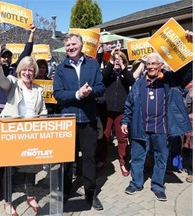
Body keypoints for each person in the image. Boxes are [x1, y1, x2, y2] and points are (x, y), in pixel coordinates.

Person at [121, 36, 192, 201]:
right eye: (148, 64)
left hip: (161, 128)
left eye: (154, 64)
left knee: (161, 157)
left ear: (161, 66)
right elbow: (129, 103)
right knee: (138, 157)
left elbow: (186, 71)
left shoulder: (170, 81)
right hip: (140, 127)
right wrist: (125, 120)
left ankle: (158, 186)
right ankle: (136, 183)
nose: (151, 66)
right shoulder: (139, 83)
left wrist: (189, 45)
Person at [0, 34, 47, 216]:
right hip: (13, 133)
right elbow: (0, 78)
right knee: (10, 170)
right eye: (25, 69)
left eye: (31, 70)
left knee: (30, 168)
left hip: (31, 134)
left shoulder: (38, 90)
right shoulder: (13, 83)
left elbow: (42, 111)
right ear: (20, 70)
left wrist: (42, 122)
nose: (28, 72)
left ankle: (30, 195)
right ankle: (8, 201)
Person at [53, 33, 105, 211]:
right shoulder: (61, 68)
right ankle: (66, 191)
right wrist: (77, 94)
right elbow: (58, 94)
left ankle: (90, 192)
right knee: (67, 160)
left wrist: (90, 91)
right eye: (67, 45)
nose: (70, 47)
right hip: (68, 120)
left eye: (73, 44)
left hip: (88, 120)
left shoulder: (93, 64)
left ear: (81, 45)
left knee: (89, 159)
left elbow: (101, 87)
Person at [0, 17, 37, 191]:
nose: (6, 59)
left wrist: (31, 35)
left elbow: (25, 54)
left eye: (8, 57)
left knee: (10, 148)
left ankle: (9, 177)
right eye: (3, 56)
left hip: (13, 115)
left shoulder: (15, 73)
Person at [100, 48, 135, 176]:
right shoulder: (108, 73)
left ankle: (123, 162)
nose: (116, 61)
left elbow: (132, 81)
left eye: (119, 59)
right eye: (115, 59)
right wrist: (111, 62)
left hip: (121, 111)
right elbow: (102, 77)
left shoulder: (126, 74)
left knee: (122, 138)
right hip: (107, 110)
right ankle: (101, 160)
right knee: (105, 136)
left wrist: (123, 68)